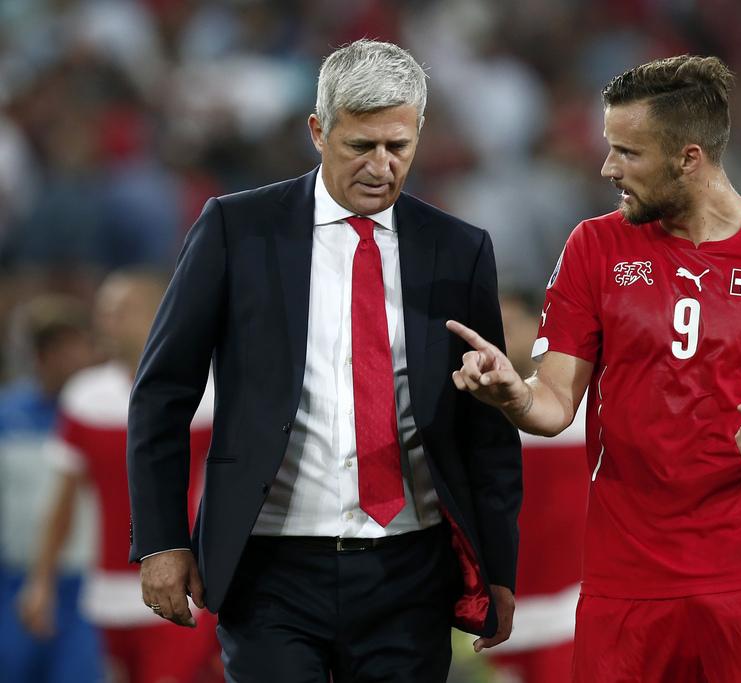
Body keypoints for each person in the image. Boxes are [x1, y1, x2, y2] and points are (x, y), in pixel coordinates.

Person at [447, 54, 741, 681]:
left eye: (628, 152)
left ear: (689, 158)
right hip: (625, 578)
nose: (608, 168)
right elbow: (553, 404)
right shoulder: (593, 248)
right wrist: (512, 394)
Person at [126, 39, 521, 682]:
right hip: (269, 569)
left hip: (411, 570)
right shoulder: (236, 229)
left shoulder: (460, 250)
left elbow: (488, 425)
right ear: (317, 130)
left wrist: (499, 570)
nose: (382, 166)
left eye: (399, 146)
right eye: (361, 146)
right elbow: (162, 393)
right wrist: (163, 540)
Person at [18, 272, 220, 683]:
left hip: (181, 593)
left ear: (157, 312)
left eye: (120, 310)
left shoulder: (205, 394)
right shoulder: (84, 397)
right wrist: (42, 581)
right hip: (106, 598)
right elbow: (63, 504)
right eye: (104, 311)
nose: (106, 321)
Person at [486, 291, 589, 683]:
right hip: (495, 632)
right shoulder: (469, 422)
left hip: (567, 623)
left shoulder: (581, 408)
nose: (500, 341)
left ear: (539, 329)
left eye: (509, 328)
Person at [0, 295, 101, 683]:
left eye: (78, 345)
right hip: (12, 580)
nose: (74, 358)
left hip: (84, 584)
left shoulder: (102, 415)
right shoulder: (7, 416)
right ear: (39, 354)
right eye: (60, 348)